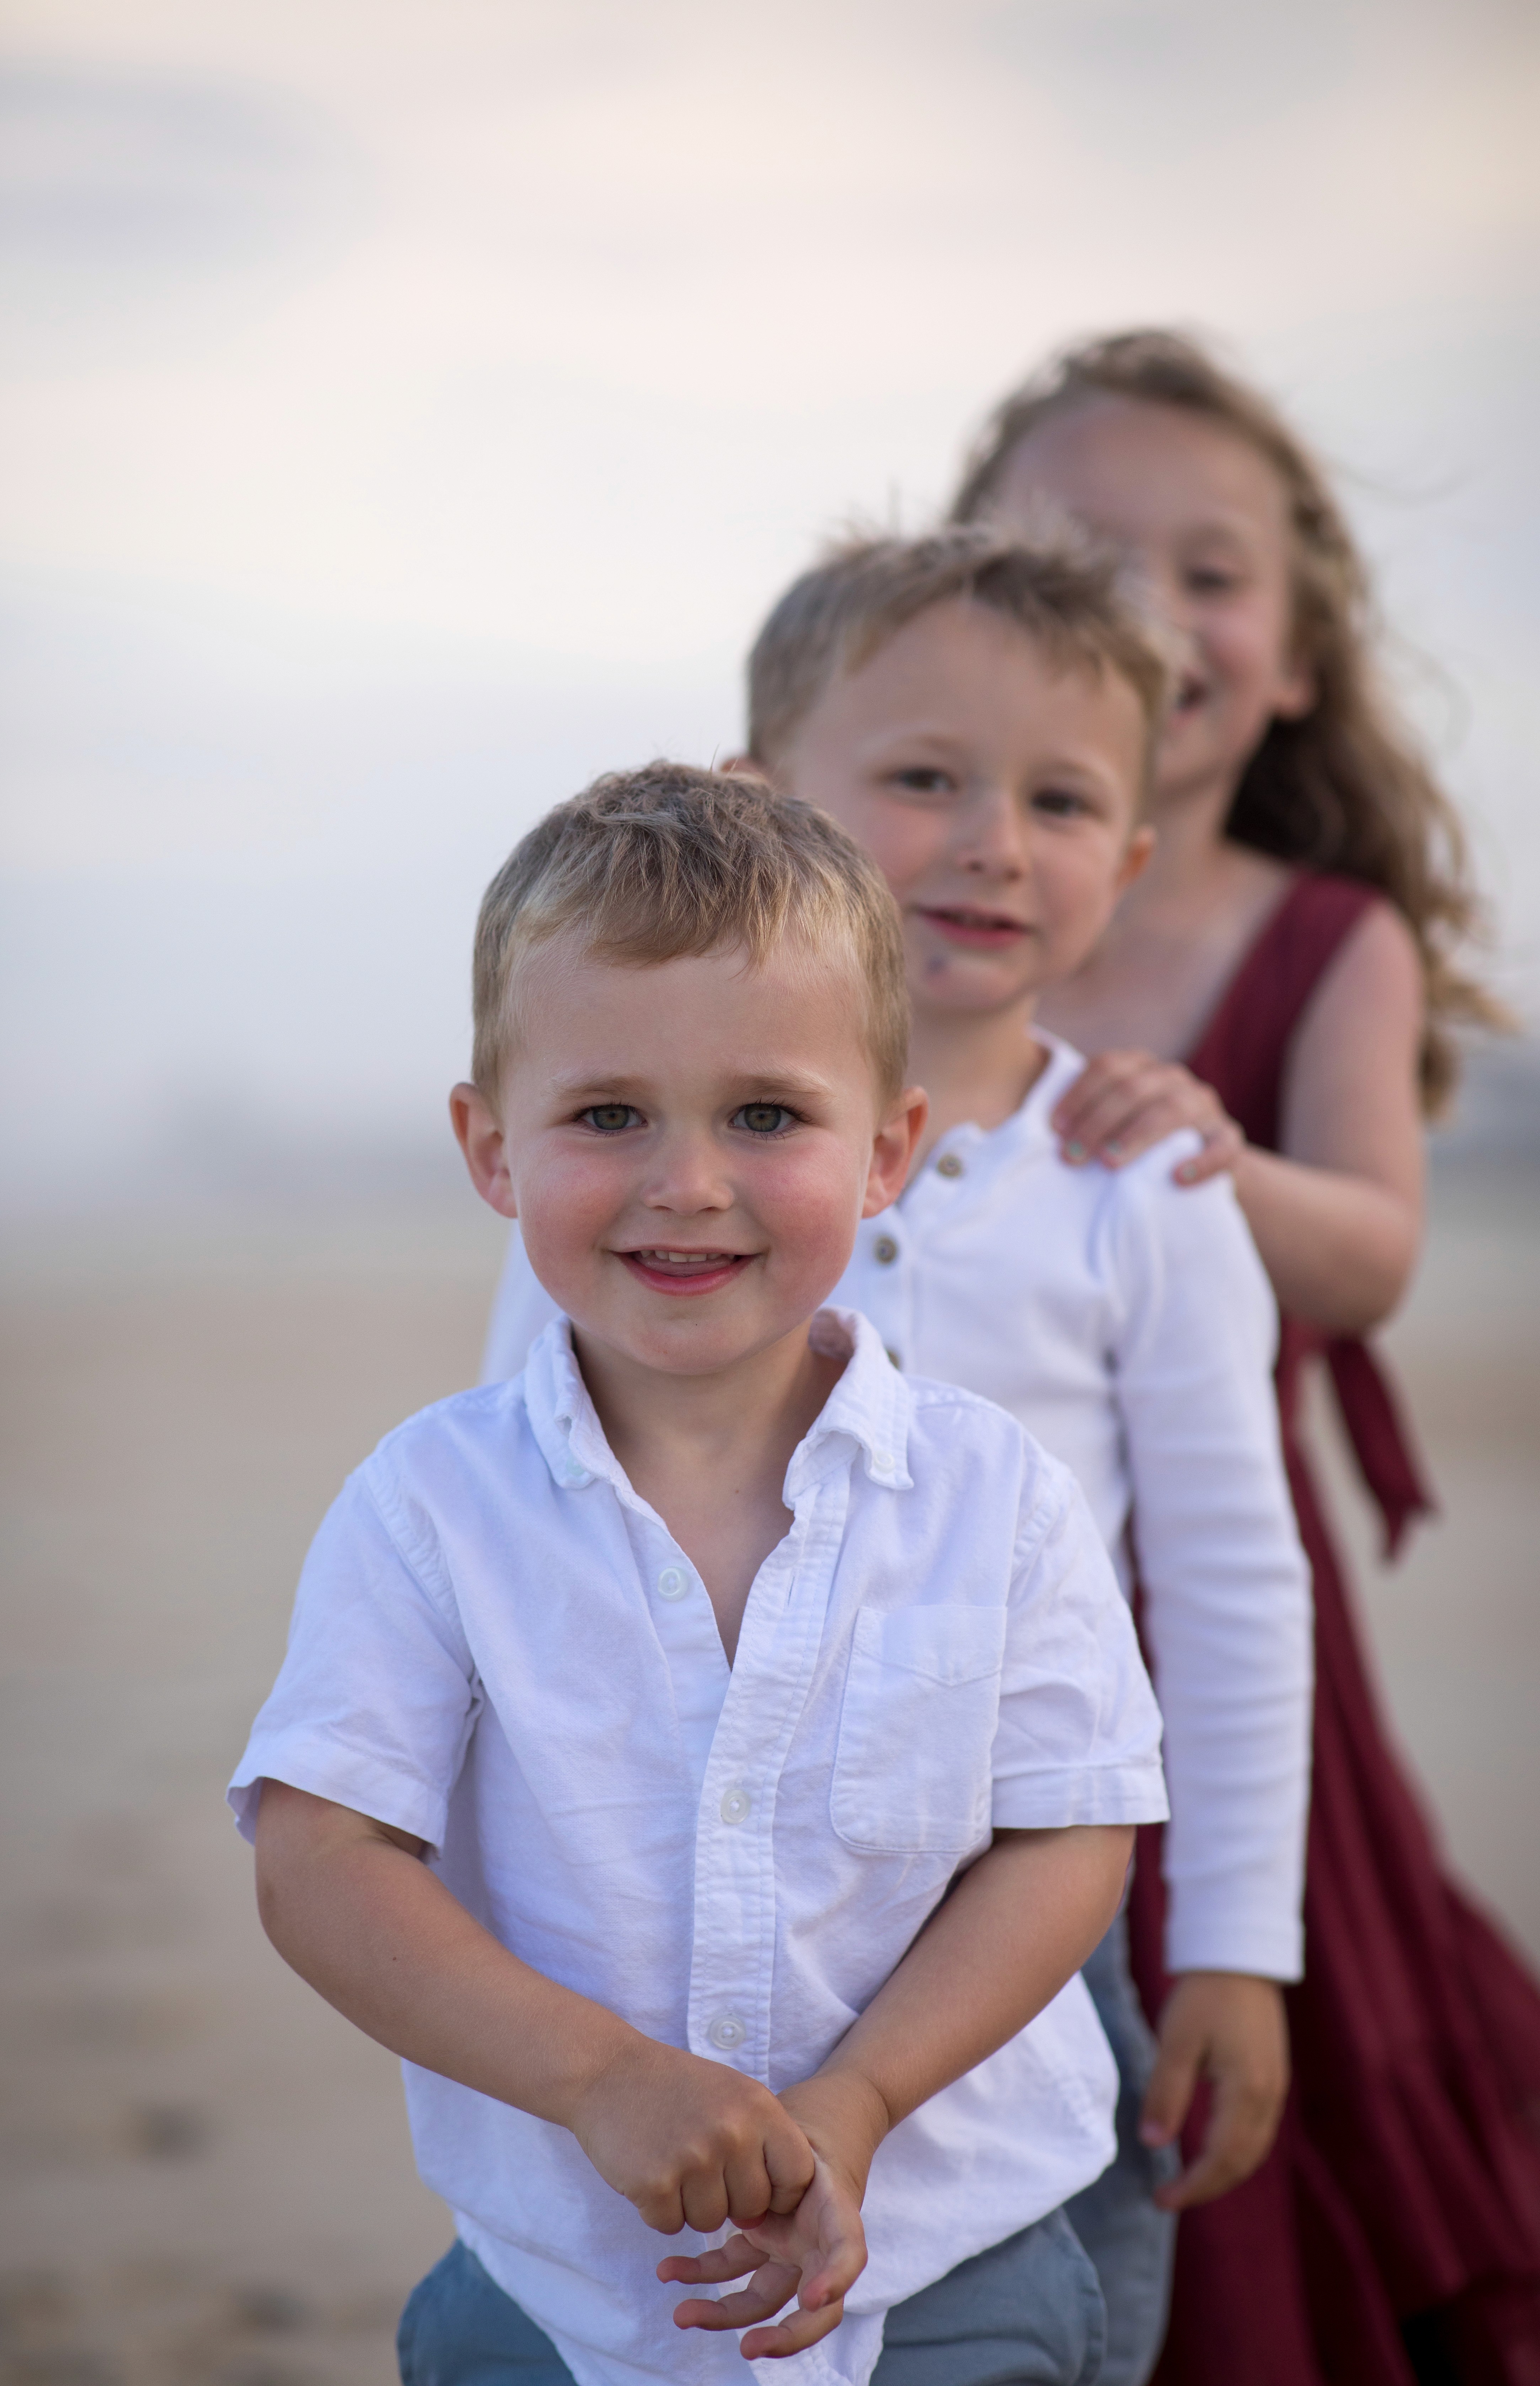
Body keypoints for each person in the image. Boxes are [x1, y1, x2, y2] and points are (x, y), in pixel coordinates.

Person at [480, 536, 1315, 2386]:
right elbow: (527, 1497)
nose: (992, 840)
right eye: (925, 776)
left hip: (1011, 1894)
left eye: (1062, 797)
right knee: (625, 2311)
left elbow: (1239, 1581)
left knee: (1030, 2307)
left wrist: (1244, 1945)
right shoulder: (624, 1181)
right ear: (767, 799)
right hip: (666, 1887)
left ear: (1133, 856)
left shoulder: (1144, 1194)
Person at [231, 762, 1172, 2386]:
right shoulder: (429, 1507)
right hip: (558, 2283)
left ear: (886, 1148)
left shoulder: (992, 1494)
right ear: (489, 1147)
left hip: (950, 2257)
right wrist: (599, 2078)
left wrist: (865, 2096)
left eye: (765, 1115)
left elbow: (1065, 1834)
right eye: (607, 1115)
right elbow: (322, 1853)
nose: (686, 1180)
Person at [949, 328, 1540, 2386]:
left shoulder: (1322, 936)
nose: (1142, 608)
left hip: (1205, 1591)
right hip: (926, 1569)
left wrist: (1216, 1154)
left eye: (1208, 570)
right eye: (1073, 550)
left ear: (1293, 660)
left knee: (1240, 2002)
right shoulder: (900, 894)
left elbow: (1372, 1256)